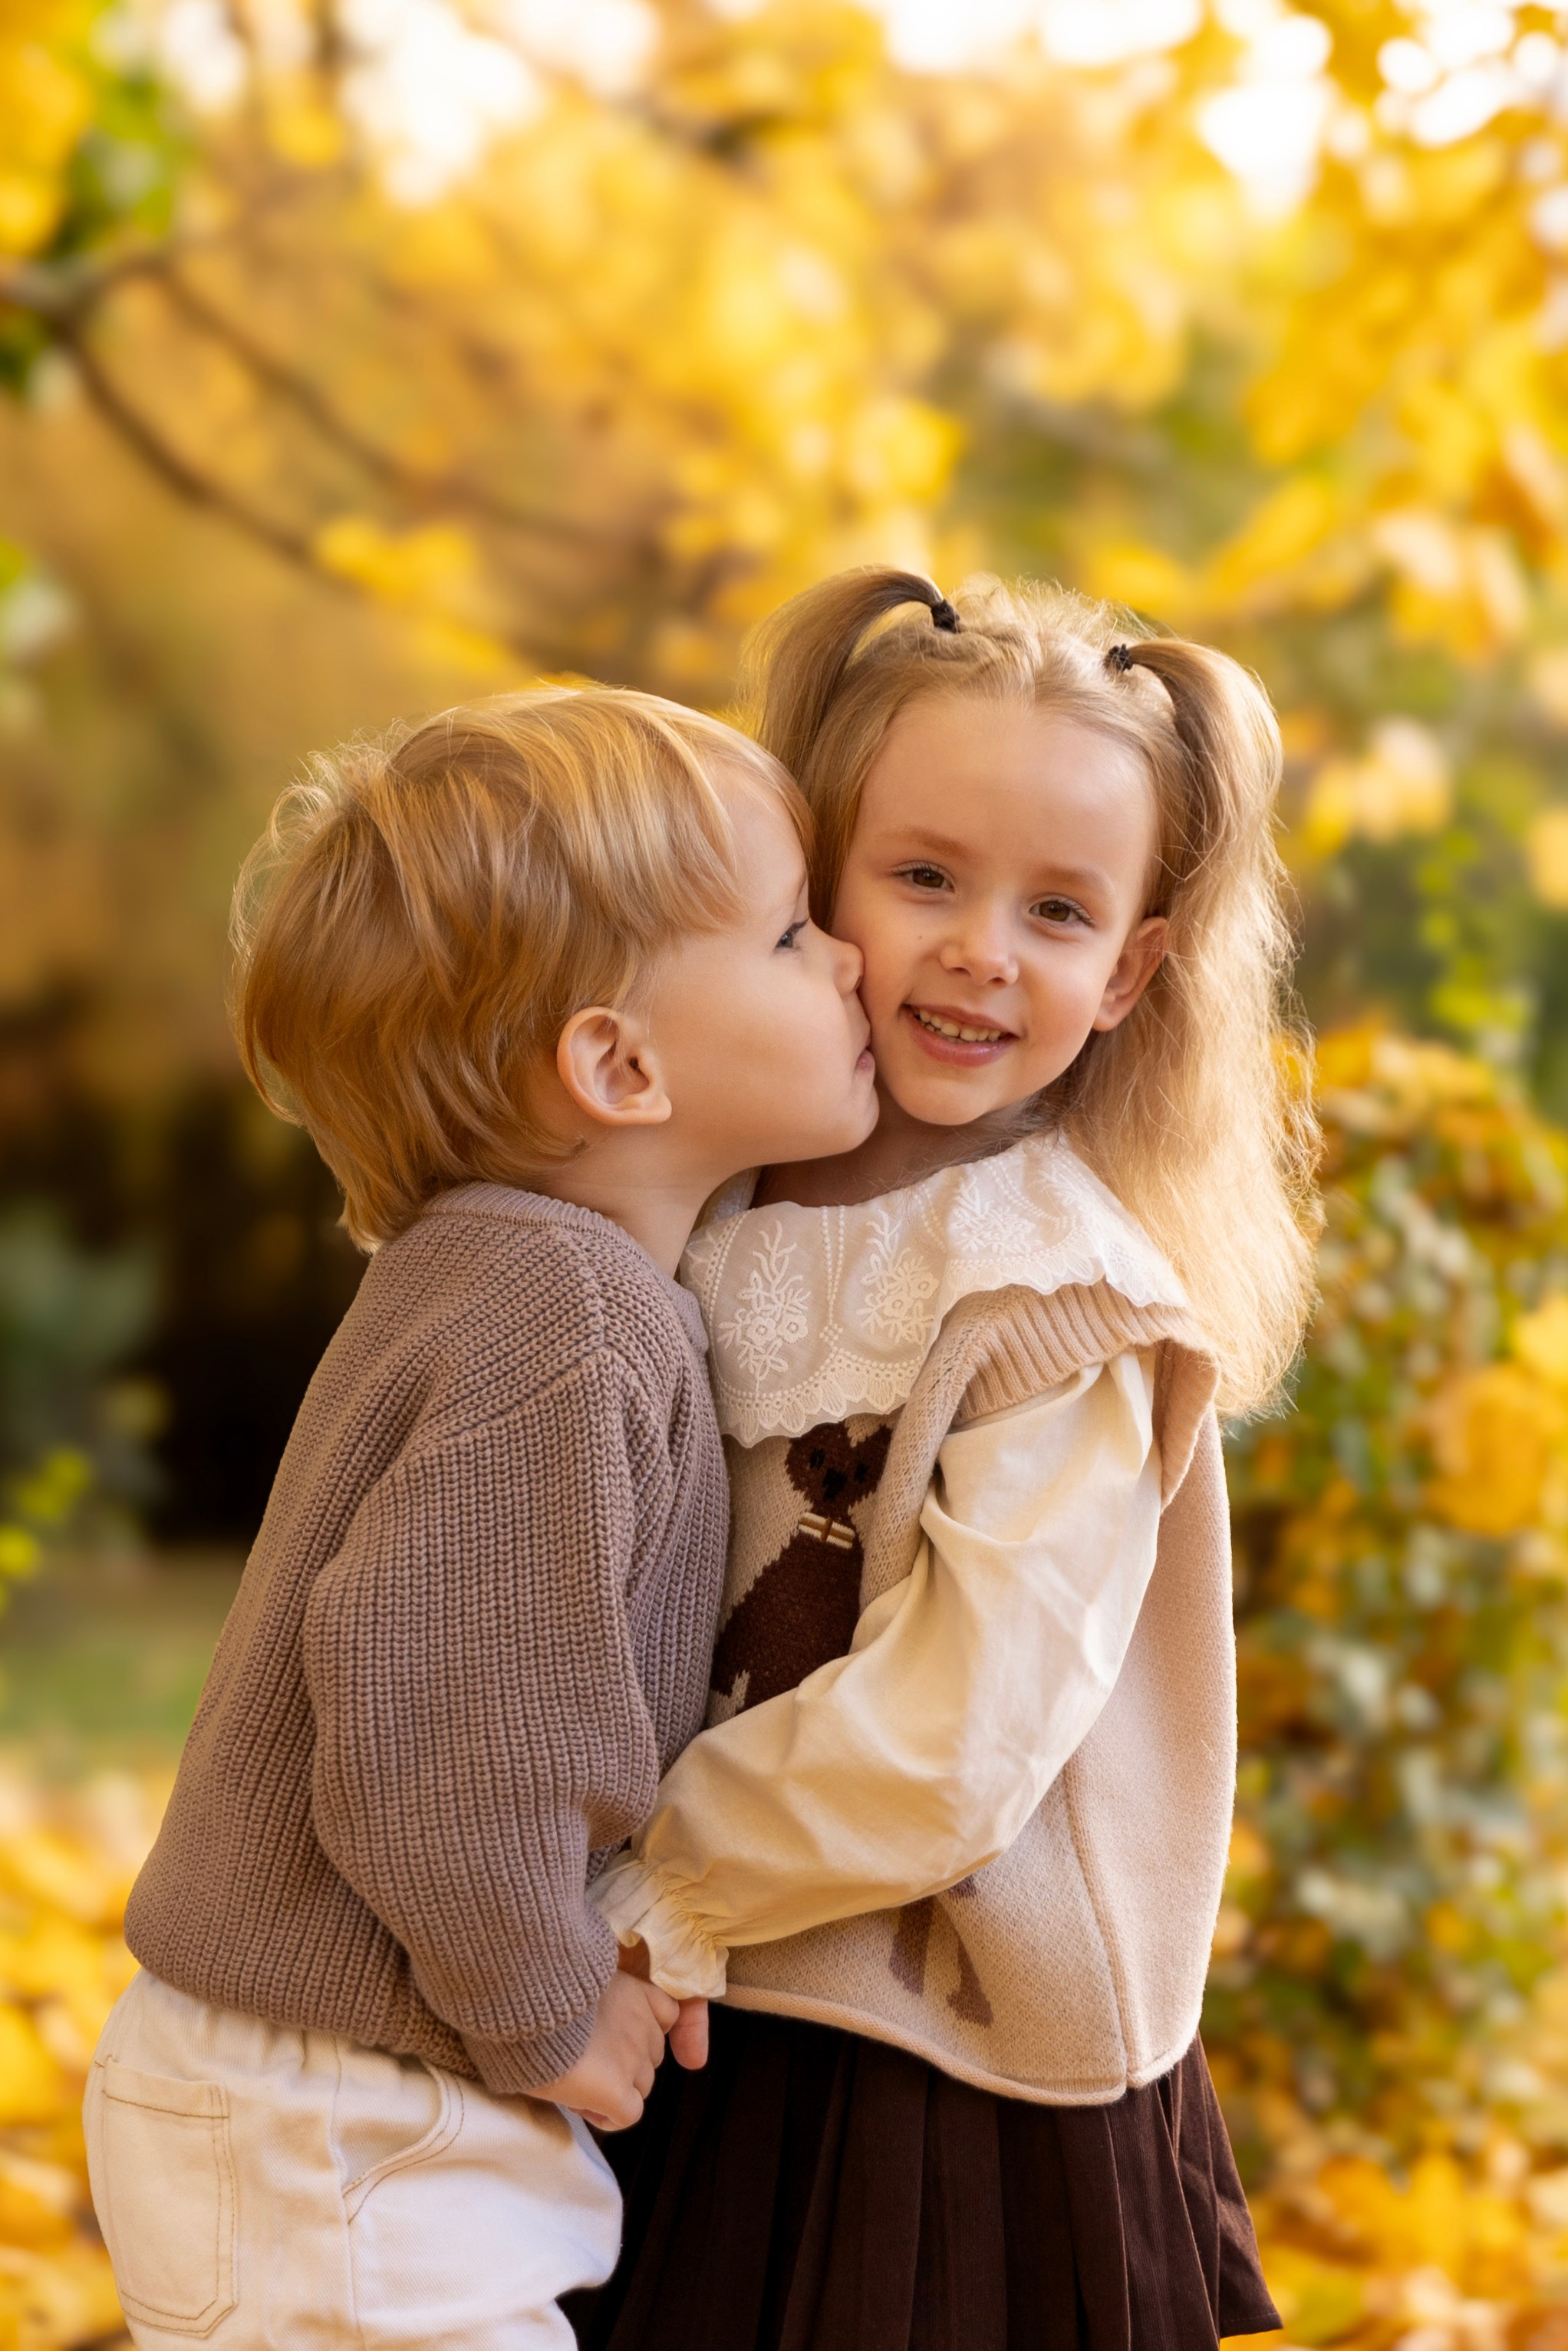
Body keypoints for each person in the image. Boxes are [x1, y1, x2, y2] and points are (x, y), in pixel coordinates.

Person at [574, 573, 1320, 2351]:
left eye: (1056, 911)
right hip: (701, 1988)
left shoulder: (1054, 1301)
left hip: (937, 2059)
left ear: (1130, 969)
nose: (983, 948)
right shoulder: (714, 1198)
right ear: (816, 879)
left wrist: (652, 1893)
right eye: (925, 878)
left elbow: (955, 1738)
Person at [84, 687, 878, 2351]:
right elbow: (435, 1726)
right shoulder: (560, 1315)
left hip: (318, 2108)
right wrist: (545, 2008)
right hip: (346, 2125)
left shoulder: (512, 1278)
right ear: (617, 1062)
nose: (855, 960)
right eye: (796, 934)